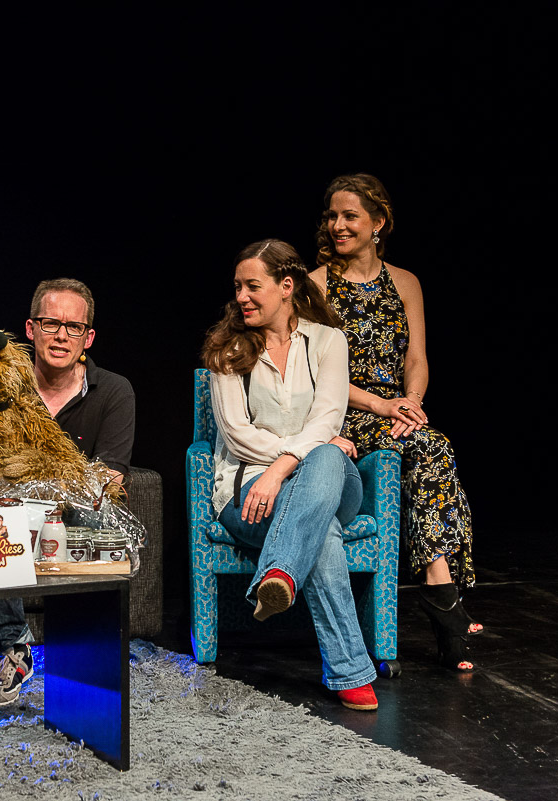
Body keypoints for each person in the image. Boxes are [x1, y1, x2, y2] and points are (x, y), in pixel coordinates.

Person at [307, 173, 481, 672]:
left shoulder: (405, 282)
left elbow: (418, 358)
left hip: (399, 411)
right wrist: (385, 408)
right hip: (344, 412)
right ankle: (443, 593)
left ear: (378, 222)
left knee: (428, 446)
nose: (338, 225)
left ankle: (440, 590)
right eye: (332, 216)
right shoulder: (316, 285)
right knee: (432, 449)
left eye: (350, 216)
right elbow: (321, 376)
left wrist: (412, 403)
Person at [202, 238, 379, 711]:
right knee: (322, 532)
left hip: (322, 480)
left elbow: (329, 419)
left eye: (252, 286)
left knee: (326, 458)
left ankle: (277, 568)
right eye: (237, 287)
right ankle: (349, 674)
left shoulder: (328, 341)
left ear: (286, 286)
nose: (241, 296)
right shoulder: (226, 349)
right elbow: (238, 436)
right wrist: (305, 452)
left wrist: (281, 468)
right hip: (246, 494)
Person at [0, 277, 135, 707]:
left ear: (88, 337)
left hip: (78, 510)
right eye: (51, 324)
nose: (62, 335)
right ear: (30, 330)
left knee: (100, 515)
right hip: (10, 509)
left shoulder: (114, 390)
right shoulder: (2, 386)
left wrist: (50, 490)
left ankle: (90, 654)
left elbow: (109, 476)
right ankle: (14, 648)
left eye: (74, 327)